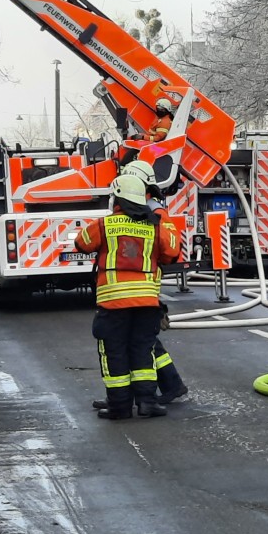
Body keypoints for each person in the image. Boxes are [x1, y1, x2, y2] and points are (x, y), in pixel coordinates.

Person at [75, 174, 180, 419]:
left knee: (114, 352)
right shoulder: (154, 225)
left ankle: (120, 406)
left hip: (113, 303)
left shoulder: (105, 225)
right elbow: (171, 253)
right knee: (143, 350)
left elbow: (82, 244)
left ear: (117, 199)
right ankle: (147, 403)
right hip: (146, 303)